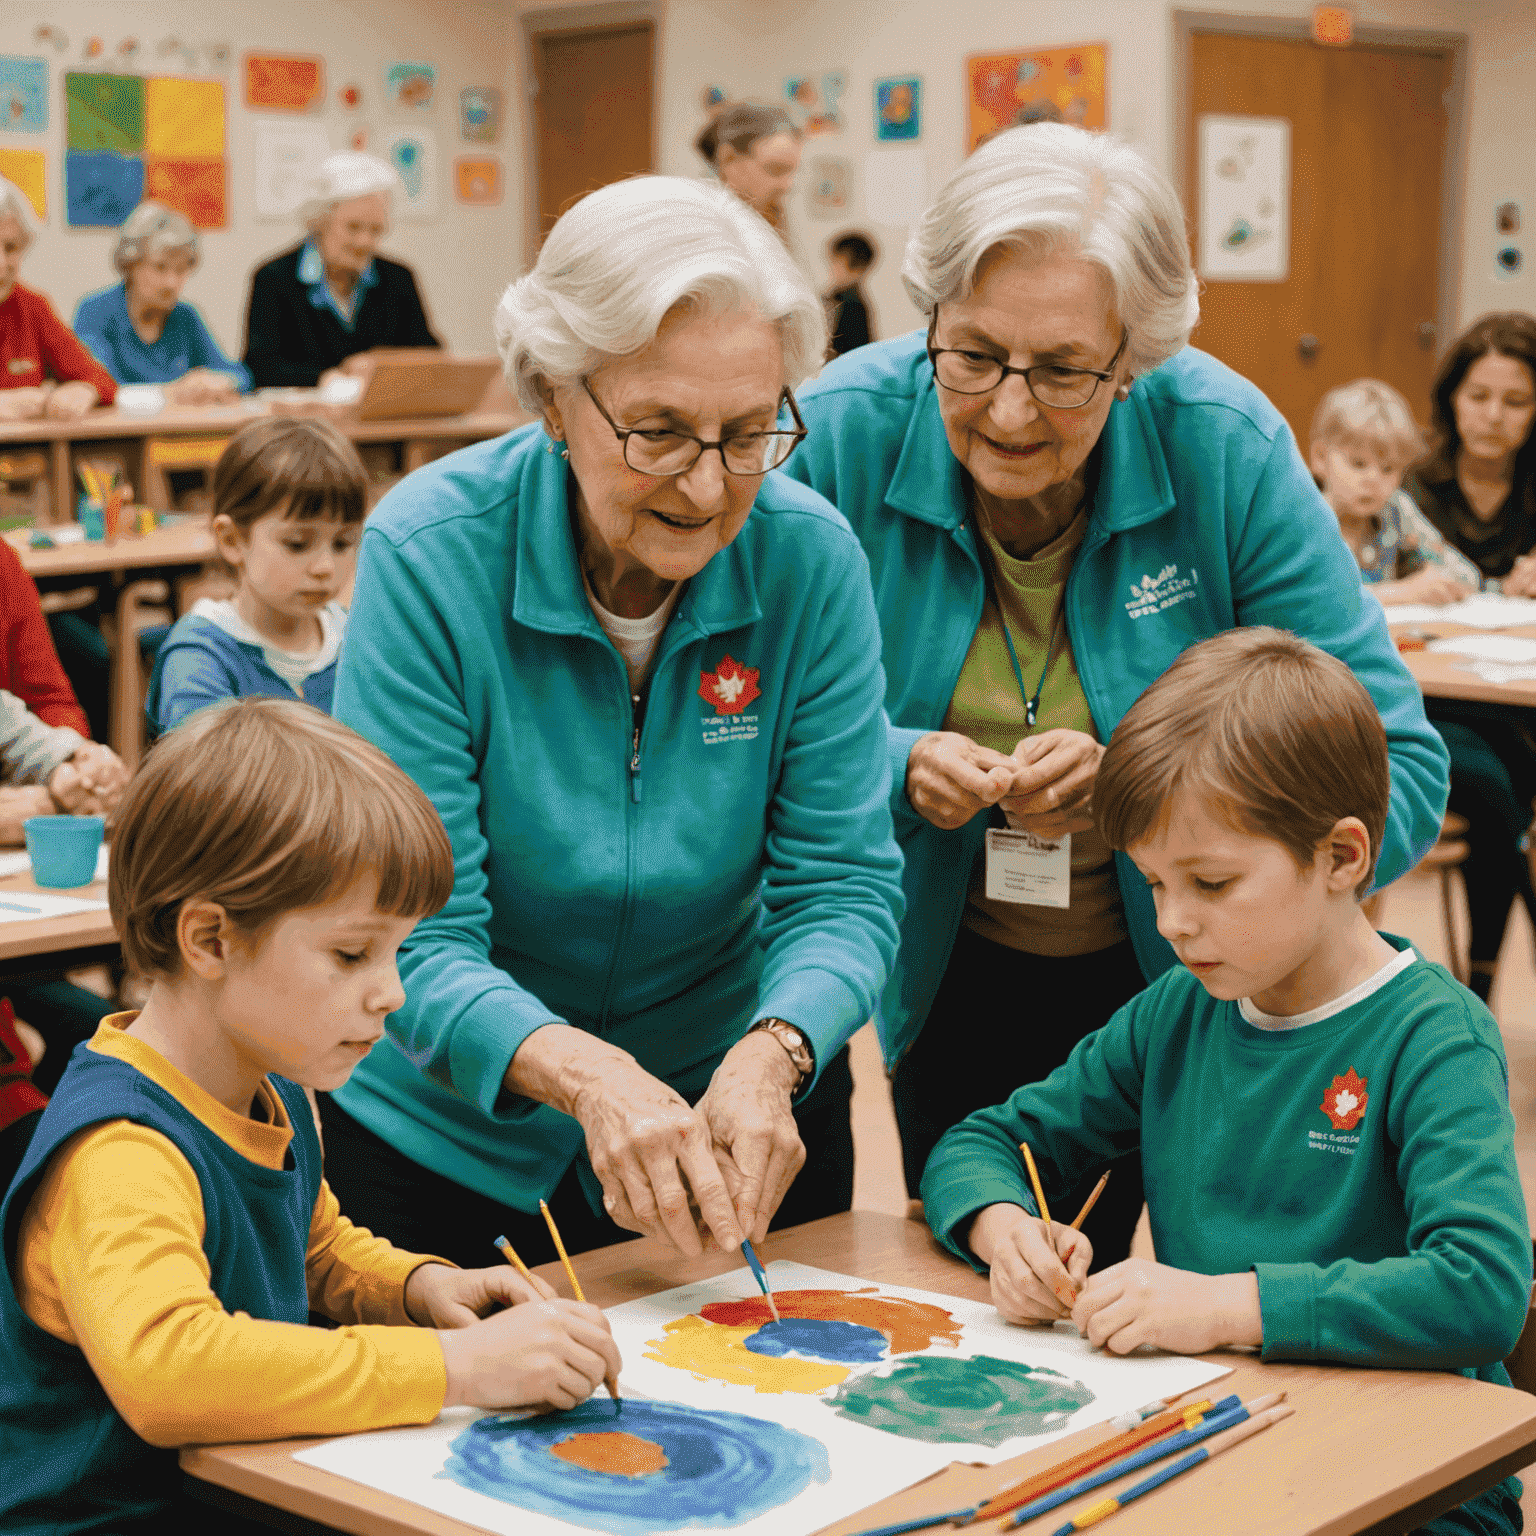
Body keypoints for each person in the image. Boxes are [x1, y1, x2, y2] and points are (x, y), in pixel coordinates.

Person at [783, 123, 1450, 1264]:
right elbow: (741, 737)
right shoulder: (842, 429)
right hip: (939, 965)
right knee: (978, 1282)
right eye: (974, 355)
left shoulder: (1221, 444)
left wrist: (1155, 798)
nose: (1007, 411)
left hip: (1187, 982)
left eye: (1063, 370)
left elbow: (1399, 772)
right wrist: (894, 762)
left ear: (1135, 358)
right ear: (929, 316)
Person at [322, 175, 903, 1272]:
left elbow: (844, 887)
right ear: (554, 395)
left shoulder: (813, 557)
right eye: (658, 432)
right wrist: (585, 1075)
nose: (707, 484)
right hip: (453, 1144)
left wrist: (775, 1053)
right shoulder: (430, 552)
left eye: (747, 433)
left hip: (736, 1127)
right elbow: (417, 928)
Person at [921, 627, 1528, 1536]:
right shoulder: (1181, 1009)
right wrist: (1004, 1230)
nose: (1172, 922)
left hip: (1416, 1490)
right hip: (1225, 1445)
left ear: (1342, 858)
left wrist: (1225, 1303)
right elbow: (979, 1143)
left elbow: (1481, 1287)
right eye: (1155, 884)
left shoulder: (1433, 1038)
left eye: (1210, 882)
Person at [0, 699, 622, 1534]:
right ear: (211, 940)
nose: (393, 992)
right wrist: (453, 1367)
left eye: (398, 952)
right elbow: (171, 1373)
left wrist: (419, 1287)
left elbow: (313, 1245)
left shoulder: (270, 1082)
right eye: (351, 953)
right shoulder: (122, 1152)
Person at [1402, 314, 1536, 1001]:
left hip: (1517, 703)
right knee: (1500, 789)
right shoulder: (1410, 486)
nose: (1493, 416)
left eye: (1516, 401)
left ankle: (1479, 983)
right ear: (1452, 398)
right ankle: (1481, 978)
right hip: (1435, 704)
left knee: (1507, 779)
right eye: (1478, 395)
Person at [146, 418, 365, 734]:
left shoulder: (351, 639)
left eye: (343, 543)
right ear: (232, 540)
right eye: (297, 544)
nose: (325, 568)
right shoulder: (199, 655)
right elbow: (204, 774)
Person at [242, 152, 439, 390]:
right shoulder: (274, 278)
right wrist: (324, 380)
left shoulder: (398, 278)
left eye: (376, 230)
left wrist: (381, 363)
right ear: (319, 222)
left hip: (382, 419)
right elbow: (261, 367)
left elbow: (430, 356)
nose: (365, 242)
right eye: (353, 227)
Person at [1308, 378, 1480, 603]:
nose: (1373, 479)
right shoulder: (1309, 519)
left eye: (1388, 468)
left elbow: (1467, 576)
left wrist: (1438, 580)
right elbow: (1313, 599)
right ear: (1320, 457)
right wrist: (1403, 591)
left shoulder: (1395, 510)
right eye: (1358, 463)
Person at [73, 201, 251, 400]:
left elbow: (241, 376)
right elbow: (100, 385)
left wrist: (221, 381)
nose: (171, 282)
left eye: (181, 270)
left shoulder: (185, 316)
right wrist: (174, 391)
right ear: (131, 265)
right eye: (160, 267)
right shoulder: (95, 311)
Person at [0, 177, 116, 420]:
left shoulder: (32, 307)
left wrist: (84, 390)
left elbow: (101, 380)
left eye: (10, 248)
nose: (1, 265)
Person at [695, 102, 802, 235]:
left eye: (791, 173)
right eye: (776, 169)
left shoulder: (771, 222)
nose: (787, 186)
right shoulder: (702, 229)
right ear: (729, 158)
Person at [826, 231, 876, 358]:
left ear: (858, 269)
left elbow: (854, 351)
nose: (832, 269)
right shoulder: (838, 298)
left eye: (837, 263)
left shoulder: (852, 304)